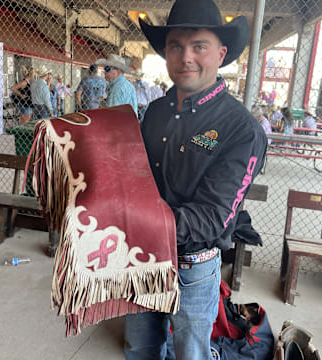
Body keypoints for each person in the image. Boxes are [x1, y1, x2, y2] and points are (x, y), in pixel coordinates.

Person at [124, 0, 267, 359]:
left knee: (191, 352)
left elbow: (213, 216)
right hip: (143, 259)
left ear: (220, 54)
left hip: (194, 266)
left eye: (199, 46)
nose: (186, 57)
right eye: (176, 46)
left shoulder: (241, 129)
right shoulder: (155, 111)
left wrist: (134, 223)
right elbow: (134, 178)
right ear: (167, 54)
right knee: (140, 347)